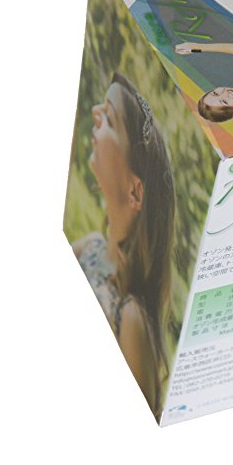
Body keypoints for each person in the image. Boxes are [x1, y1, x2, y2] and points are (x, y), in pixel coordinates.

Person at [71, 72, 175, 419]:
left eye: (110, 118)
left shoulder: (130, 318)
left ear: (134, 192)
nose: (95, 113)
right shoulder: (89, 248)